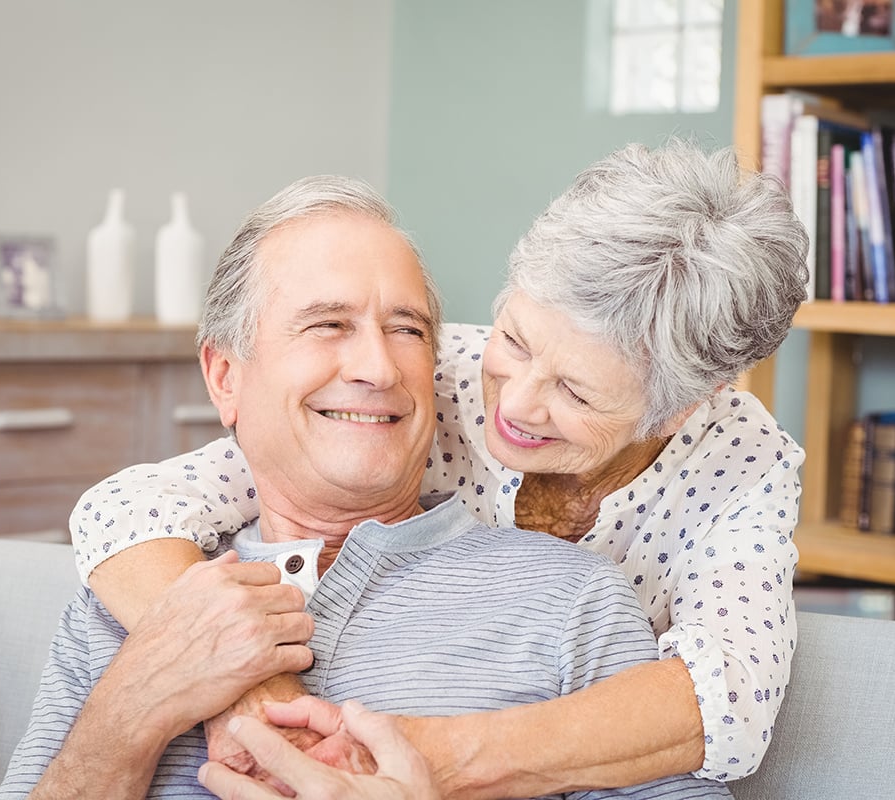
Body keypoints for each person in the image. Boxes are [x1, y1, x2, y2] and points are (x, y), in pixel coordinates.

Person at [71, 140, 810, 792]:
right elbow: (132, 506)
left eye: (577, 392)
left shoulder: (739, 466)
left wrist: (412, 759)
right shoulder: (421, 371)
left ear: (682, 408)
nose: (514, 405)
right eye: (515, 340)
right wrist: (246, 688)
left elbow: (728, 703)